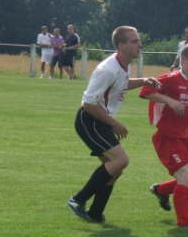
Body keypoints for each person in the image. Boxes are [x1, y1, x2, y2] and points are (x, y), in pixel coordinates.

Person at [67, 26, 160, 223]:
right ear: (121, 45)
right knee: (120, 161)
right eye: (134, 41)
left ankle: (95, 213)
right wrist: (114, 123)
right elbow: (88, 104)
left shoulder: (123, 65)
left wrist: (144, 81)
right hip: (89, 120)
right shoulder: (106, 69)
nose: (140, 45)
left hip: (99, 119)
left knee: (115, 167)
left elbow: (121, 84)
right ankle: (78, 199)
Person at [140, 44, 188, 228]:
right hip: (167, 138)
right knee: (184, 178)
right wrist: (168, 100)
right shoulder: (169, 78)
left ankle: (160, 190)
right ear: (183, 60)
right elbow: (145, 92)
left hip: (184, 139)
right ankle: (184, 223)